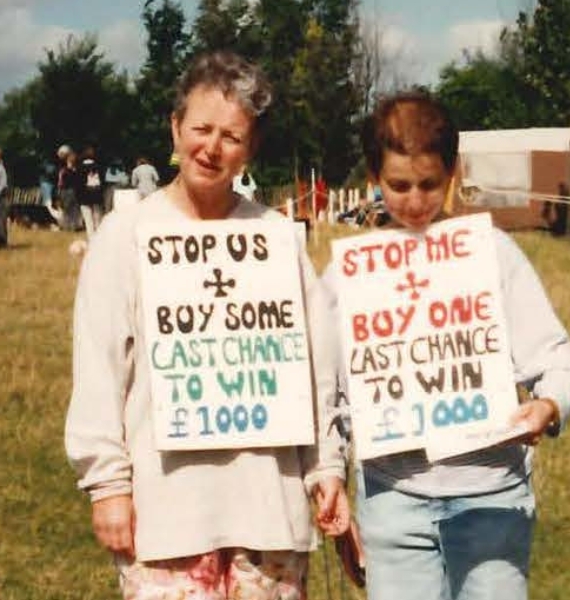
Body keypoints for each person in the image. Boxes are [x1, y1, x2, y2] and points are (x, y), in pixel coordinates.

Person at [65, 50, 349, 600]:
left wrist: (326, 469)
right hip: (167, 517)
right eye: (200, 128)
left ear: (251, 148)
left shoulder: (275, 237)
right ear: (174, 129)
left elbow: (316, 368)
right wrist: (107, 485)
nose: (212, 148)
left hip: (269, 513)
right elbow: (98, 369)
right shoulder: (125, 236)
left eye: (232, 136)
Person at [321, 91, 570, 600]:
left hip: (491, 500)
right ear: (373, 177)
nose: (415, 201)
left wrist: (547, 407)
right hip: (393, 503)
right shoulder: (347, 275)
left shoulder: (493, 253)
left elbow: (557, 362)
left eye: (429, 184)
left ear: (452, 174)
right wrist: (331, 474)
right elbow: (326, 391)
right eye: (398, 185)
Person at [78, 146, 105, 238]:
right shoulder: (99, 167)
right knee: (98, 217)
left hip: (84, 195)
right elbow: (103, 181)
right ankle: (100, 236)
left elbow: (78, 184)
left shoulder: (80, 167)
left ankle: (91, 238)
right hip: (97, 194)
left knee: (88, 219)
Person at [58, 148, 82, 231]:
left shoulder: (64, 170)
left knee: (69, 209)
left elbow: (60, 183)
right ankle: (72, 226)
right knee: (72, 209)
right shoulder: (73, 171)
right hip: (70, 190)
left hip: (67, 190)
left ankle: (68, 226)